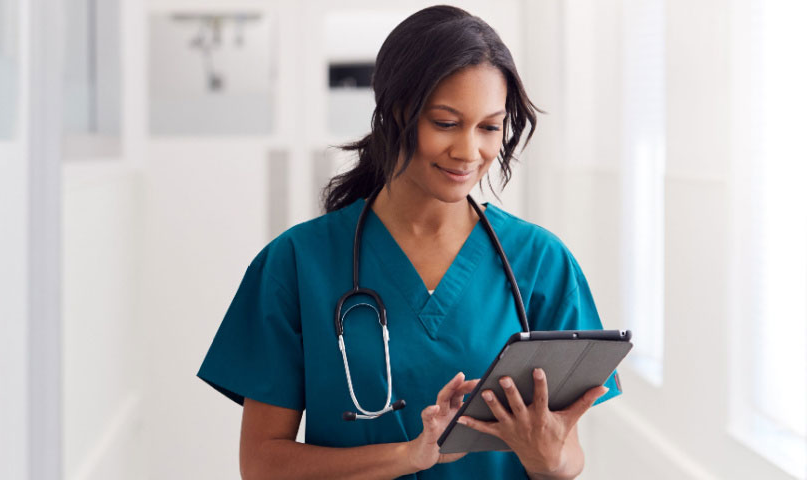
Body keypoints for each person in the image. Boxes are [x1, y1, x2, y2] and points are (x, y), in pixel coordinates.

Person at [196, 5, 622, 479]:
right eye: (445, 123)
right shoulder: (296, 265)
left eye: (488, 127)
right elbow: (261, 465)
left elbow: (568, 460)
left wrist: (547, 457)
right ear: (396, 114)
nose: (468, 151)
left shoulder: (542, 264)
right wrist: (408, 455)